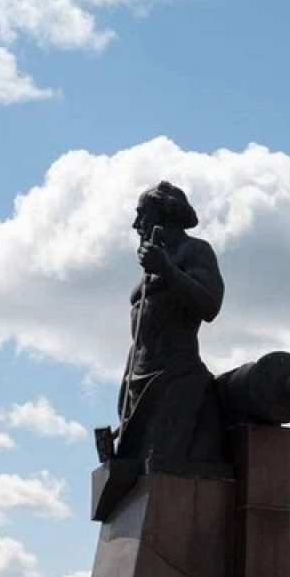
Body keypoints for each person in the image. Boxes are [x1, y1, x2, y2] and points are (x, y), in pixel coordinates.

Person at [104, 181, 228, 470]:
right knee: (130, 475)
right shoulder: (150, 270)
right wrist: (125, 391)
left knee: (161, 468)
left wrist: (168, 270)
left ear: (164, 214)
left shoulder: (194, 251)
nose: (136, 224)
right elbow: (139, 340)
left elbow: (210, 306)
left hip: (175, 377)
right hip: (139, 383)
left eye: (142, 214)